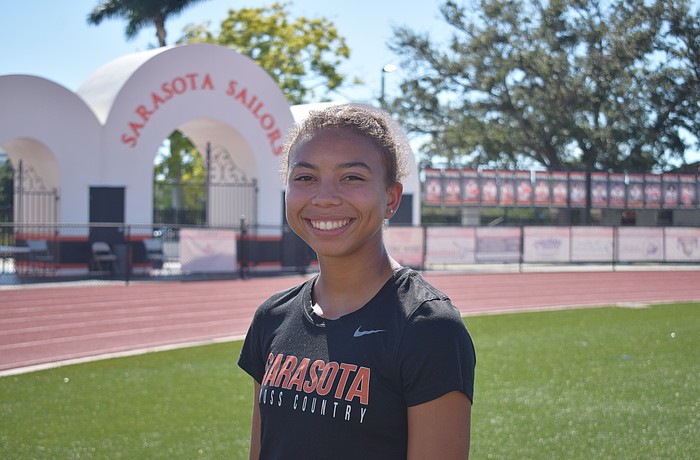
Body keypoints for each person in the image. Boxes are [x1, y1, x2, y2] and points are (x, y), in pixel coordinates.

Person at [238, 104, 476, 459]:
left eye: (352, 177)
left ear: (391, 198)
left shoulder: (427, 327)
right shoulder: (272, 317)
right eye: (305, 177)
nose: (325, 197)